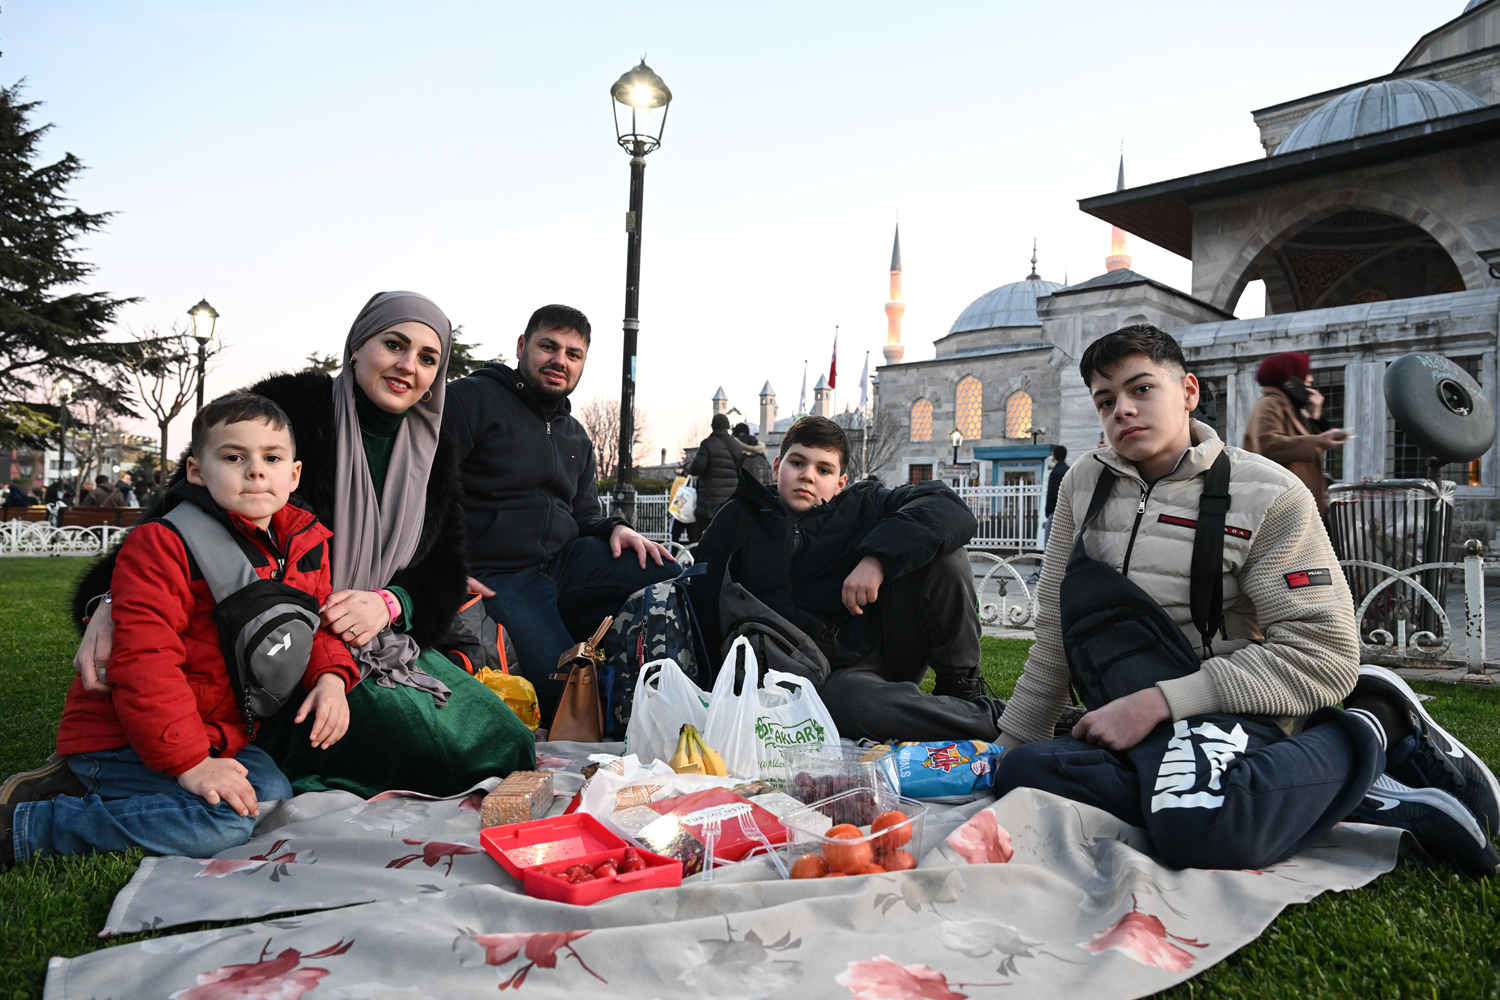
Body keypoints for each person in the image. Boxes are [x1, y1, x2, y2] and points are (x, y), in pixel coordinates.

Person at [993, 325, 1500, 873]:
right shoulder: (1083, 483)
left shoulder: (1269, 494)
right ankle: (1297, 791)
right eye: (1106, 400)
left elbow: (1325, 657)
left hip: (1234, 705)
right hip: (1131, 714)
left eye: (1142, 390)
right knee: (1023, 774)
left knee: (1198, 830)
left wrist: (1159, 703)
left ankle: (1377, 723)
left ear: (1187, 392)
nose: (1123, 411)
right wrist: (1009, 743)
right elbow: (1055, 634)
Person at [67, 291, 537, 798]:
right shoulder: (290, 407)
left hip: (375, 639)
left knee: (506, 741)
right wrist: (111, 599)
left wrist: (389, 602)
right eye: (394, 345)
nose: (408, 366)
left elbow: (446, 564)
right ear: (357, 346)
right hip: (275, 643)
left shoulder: (432, 448)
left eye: (428, 359)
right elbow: (186, 505)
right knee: (446, 755)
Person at [1, 393, 357, 866]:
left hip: (217, 733)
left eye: (271, 458)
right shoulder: (164, 542)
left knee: (270, 794)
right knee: (224, 823)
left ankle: (78, 787)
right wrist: (191, 765)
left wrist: (331, 678)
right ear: (195, 471)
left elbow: (313, 626)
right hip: (121, 734)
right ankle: (27, 828)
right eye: (234, 457)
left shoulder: (304, 543)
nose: (255, 470)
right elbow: (145, 663)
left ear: (293, 474)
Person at [696, 415, 1001, 742]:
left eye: (823, 470)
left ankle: (961, 688)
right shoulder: (740, 518)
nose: (808, 476)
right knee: (851, 709)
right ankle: (997, 720)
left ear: (841, 483)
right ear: (776, 466)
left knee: (945, 554)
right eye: (797, 462)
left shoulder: (864, 505)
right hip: (819, 681)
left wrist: (877, 559)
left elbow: (947, 507)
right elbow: (703, 600)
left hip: (877, 651)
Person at [442, 304, 679, 720]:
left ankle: (667, 686)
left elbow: (585, 513)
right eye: (548, 347)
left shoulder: (576, 435)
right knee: (561, 696)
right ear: (521, 346)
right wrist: (441, 565)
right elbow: (428, 489)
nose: (560, 361)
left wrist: (616, 527)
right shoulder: (469, 399)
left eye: (573, 354)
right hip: (499, 573)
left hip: (564, 563)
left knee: (667, 572)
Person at [1243, 352, 1348, 522]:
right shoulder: (1270, 404)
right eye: (1306, 374)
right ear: (1291, 379)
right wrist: (1318, 441)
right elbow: (1267, 444)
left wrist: (1315, 415)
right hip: (1281, 507)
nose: (1310, 379)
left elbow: (1307, 444)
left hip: (1298, 505)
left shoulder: (1292, 408)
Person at [684, 414, 745, 545]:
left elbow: (697, 469)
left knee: (699, 537)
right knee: (726, 538)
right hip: (729, 501)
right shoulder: (737, 446)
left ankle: (701, 564)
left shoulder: (707, 444)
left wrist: (687, 466)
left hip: (708, 502)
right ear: (728, 427)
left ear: (712, 426)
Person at [1041, 445, 1068, 548]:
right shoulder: (1069, 470)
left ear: (1054, 456)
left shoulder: (1055, 473)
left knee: (1049, 546)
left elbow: (1052, 494)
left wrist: (1048, 512)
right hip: (1068, 513)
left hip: (1055, 512)